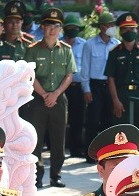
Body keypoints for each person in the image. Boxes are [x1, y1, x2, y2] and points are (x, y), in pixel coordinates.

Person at [25, 6, 74, 189]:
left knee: (58, 139)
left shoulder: (66, 50)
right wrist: (45, 94)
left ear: (60, 29)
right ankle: (36, 176)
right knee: (35, 140)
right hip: (38, 99)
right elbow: (30, 75)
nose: (52, 29)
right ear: (42, 28)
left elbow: (69, 74)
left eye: (56, 26)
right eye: (48, 26)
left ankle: (56, 175)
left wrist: (55, 94)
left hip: (59, 99)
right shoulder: (33, 49)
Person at [79, 11, 116, 160]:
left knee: (109, 121)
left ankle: (107, 154)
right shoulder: (90, 44)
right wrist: (86, 89)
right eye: (109, 25)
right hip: (95, 86)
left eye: (113, 25)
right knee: (93, 121)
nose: (112, 27)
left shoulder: (117, 44)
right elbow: (85, 68)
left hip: (111, 86)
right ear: (101, 27)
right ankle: (90, 154)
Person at [105, 12, 139, 133]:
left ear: (136, 30)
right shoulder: (115, 52)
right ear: (120, 32)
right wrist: (116, 101)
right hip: (122, 94)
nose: (129, 32)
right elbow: (110, 78)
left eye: (132, 29)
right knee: (121, 132)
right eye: (125, 29)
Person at [61, 13, 86, 159]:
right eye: (69, 28)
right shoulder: (58, 44)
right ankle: (58, 149)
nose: (72, 30)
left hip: (78, 86)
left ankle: (76, 148)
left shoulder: (83, 44)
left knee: (78, 118)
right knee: (60, 119)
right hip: (61, 86)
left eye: (75, 28)